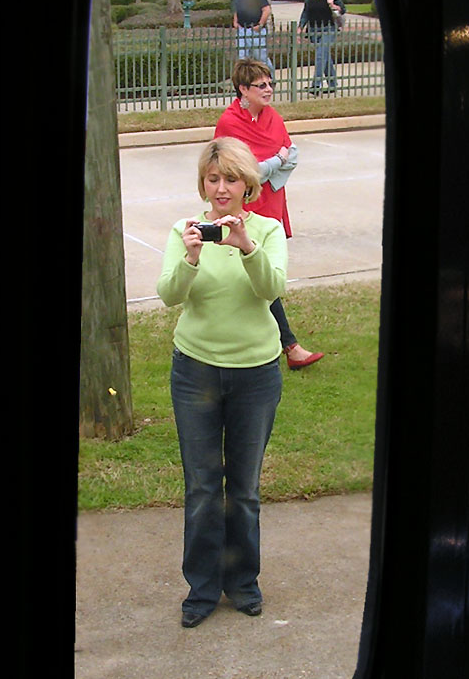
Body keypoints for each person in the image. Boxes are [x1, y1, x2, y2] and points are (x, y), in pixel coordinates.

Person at [157, 137, 287, 628]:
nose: (222, 188)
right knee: (204, 488)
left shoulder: (268, 231)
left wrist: (246, 247)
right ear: (203, 184)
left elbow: (272, 288)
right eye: (213, 179)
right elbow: (168, 295)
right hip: (195, 373)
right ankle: (203, 589)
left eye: (231, 179)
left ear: (247, 183)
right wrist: (190, 258)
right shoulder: (183, 229)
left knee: (245, 490)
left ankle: (243, 583)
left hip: (256, 374)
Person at [215, 58, 324, 370]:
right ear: (243, 89)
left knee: (258, 275)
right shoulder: (230, 123)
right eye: (261, 85)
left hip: (271, 203)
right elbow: (242, 172)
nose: (269, 90)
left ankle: (263, 343)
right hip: (244, 208)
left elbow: (291, 156)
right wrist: (271, 164)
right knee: (259, 273)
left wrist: (268, 169)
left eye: (270, 84)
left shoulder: (272, 116)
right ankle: (290, 346)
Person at [298, 0, 346, 95]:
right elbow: (306, 13)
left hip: (328, 28)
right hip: (314, 30)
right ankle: (332, 84)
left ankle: (316, 85)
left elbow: (342, 10)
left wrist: (332, 5)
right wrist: (300, 27)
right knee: (325, 57)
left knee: (320, 56)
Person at [233, 0, 274, 73]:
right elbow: (237, 9)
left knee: (261, 58)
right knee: (242, 58)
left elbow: (266, 9)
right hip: (242, 29)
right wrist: (235, 22)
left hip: (255, 30)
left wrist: (260, 25)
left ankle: (270, 79)